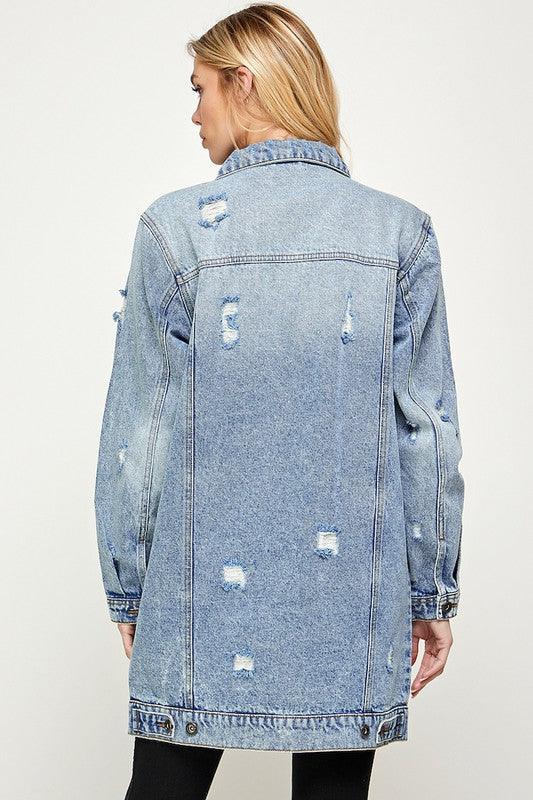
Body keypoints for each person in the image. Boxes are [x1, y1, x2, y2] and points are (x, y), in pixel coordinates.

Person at [94, 4, 465, 799]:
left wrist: (130, 582)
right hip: (349, 604)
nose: (195, 113)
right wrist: (429, 590)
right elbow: (427, 433)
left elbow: (141, 432)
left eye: (199, 89)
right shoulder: (398, 233)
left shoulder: (174, 231)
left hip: (197, 599)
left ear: (244, 82)